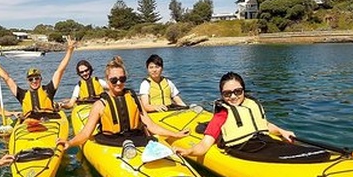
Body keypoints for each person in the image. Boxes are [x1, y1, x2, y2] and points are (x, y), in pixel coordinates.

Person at [175, 72, 311, 161]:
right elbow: (205, 144)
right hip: (244, 149)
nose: (233, 97)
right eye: (227, 94)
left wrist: (282, 131)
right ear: (222, 95)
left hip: (263, 141)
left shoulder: (250, 105)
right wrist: (188, 151)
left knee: (315, 153)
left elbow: (264, 124)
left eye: (237, 91)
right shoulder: (222, 114)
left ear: (244, 91)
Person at [59, 56, 189, 149]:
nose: (119, 83)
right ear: (107, 80)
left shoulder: (133, 98)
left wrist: (175, 134)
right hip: (111, 142)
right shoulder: (100, 105)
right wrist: (70, 143)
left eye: (122, 79)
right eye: (114, 80)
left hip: (137, 139)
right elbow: (86, 133)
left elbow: (150, 125)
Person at [0, 36, 76, 119]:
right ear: (27, 81)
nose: (34, 81)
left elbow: (60, 70)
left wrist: (70, 50)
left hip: (49, 119)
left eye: (36, 78)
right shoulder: (22, 94)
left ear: (41, 79)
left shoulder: (49, 89)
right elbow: (6, 78)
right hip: (30, 121)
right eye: (31, 79)